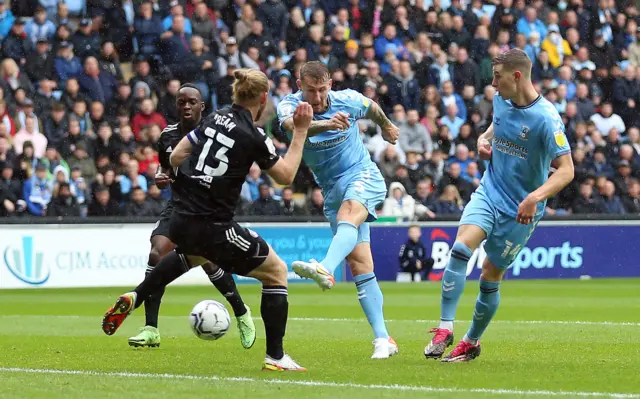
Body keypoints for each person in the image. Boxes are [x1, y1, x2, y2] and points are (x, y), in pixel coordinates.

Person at [102, 69, 312, 371]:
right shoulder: (254, 135)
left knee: (194, 254)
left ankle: (138, 294)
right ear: (263, 98)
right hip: (215, 223)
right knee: (276, 272)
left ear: (236, 94)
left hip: (182, 216)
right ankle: (276, 357)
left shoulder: (214, 118)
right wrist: (301, 130)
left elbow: (175, 156)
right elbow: (286, 176)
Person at [424, 49, 574, 362]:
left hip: (520, 210)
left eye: (497, 77)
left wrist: (534, 198)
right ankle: (444, 327)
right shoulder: (500, 100)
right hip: (489, 192)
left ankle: (471, 341)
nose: (492, 83)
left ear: (516, 76)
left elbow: (567, 170)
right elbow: (496, 125)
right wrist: (484, 138)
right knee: (460, 249)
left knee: (490, 275)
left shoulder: (546, 119)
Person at [276, 61, 401, 359]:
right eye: (310, 90)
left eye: (322, 89)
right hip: (331, 189)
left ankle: (325, 268)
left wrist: (386, 126)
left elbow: (372, 107)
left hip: (362, 175)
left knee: (349, 213)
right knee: (360, 265)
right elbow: (291, 126)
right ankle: (384, 339)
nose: (317, 97)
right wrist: (327, 124)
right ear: (299, 85)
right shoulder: (290, 105)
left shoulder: (348, 99)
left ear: (330, 83)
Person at [126, 83, 255, 350]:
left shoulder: (217, 132)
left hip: (209, 207)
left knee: (209, 263)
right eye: (181, 102)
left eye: (191, 102)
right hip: (179, 205)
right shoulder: (168, 136)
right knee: (155, 254)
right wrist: (161, 177)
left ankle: (242, 312)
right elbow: (165, 170)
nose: (186, 106)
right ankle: (151, 328)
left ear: (202, 106)